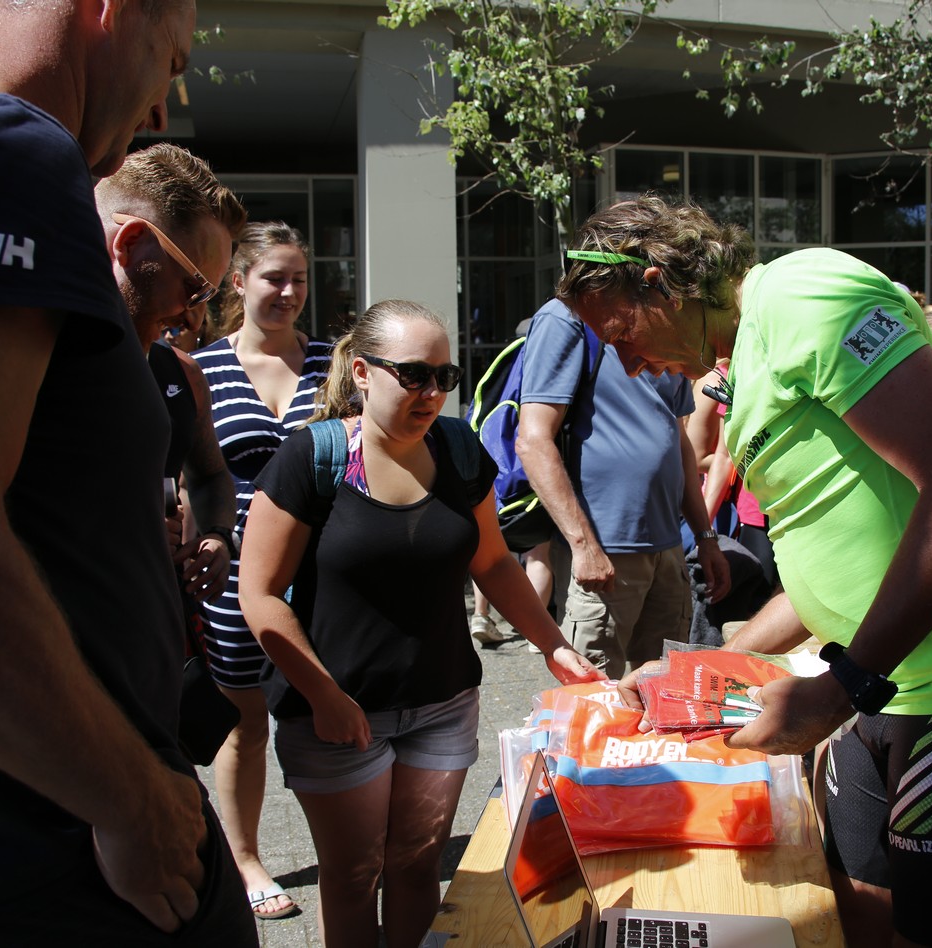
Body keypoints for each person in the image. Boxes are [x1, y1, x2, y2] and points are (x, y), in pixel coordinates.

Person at [559, 196, 932, 948]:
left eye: (621, 334)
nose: (628, 364)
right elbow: (835, 556)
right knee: (853, 896)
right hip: (888, 673)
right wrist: (699, 670)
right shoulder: (743, 362)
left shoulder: (802, 293)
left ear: (658, 283)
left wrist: (841, 689)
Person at [0, 0, 257, 943]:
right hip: (34, 848)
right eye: (172, 60)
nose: (160, 109)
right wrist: (128, 799)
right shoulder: (1, 146)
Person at [236, 299, 602, 948]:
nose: (432, 392)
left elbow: (493, 562)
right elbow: (260, 595)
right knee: (354, 875)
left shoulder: (458, 450)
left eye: (444, 376)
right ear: (362, 372)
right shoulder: (313, 458)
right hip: (337, 715)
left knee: (416, 868)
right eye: (413, 375)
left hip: (443, 704)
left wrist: (553, 646)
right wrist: (324, 695)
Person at [192, 222, 329, 919]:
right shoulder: (200, 367)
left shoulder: (333, 361)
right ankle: (245, 859)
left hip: (323, 573)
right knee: (244, 720)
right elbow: (188, 470)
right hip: (236, 574)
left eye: (299, 279)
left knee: (326, 710)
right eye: (275, 277)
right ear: (238, 280)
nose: (289, 292)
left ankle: (346, 844)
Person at [516, 296, 730, 680]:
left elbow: (678, 440)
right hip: (605, 550)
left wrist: (705, 536)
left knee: (665, 690)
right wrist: (584, 546)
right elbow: (533, 441)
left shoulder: (664, 324)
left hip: (668, 546)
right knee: (594, 695)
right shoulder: (569, 316)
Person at [95, 142, 245, 606]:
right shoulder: (24, 363)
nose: (195, 318)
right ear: (129, 243)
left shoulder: (182, 374)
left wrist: (218, 535)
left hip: (156, 621)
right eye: (192, 287)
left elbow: (210, 475)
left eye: (208, 297)